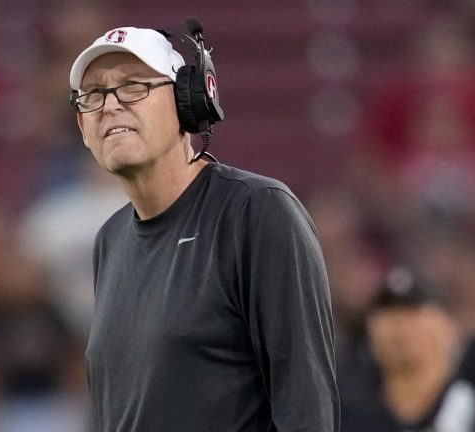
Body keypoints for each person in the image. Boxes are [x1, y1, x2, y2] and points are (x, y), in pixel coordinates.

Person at [69, 25, 339, 431]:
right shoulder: (110, 241)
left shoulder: (257, 211)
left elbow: (307, 406)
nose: (110, 106)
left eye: (133, 87)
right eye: (93, 95)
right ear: (82, 127)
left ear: (187, 101)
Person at [342, 266, 475, 431]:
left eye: (413, 311)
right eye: (387, 312)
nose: (399, 325)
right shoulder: (347, 404)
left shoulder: (474, 399)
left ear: (447, 326)